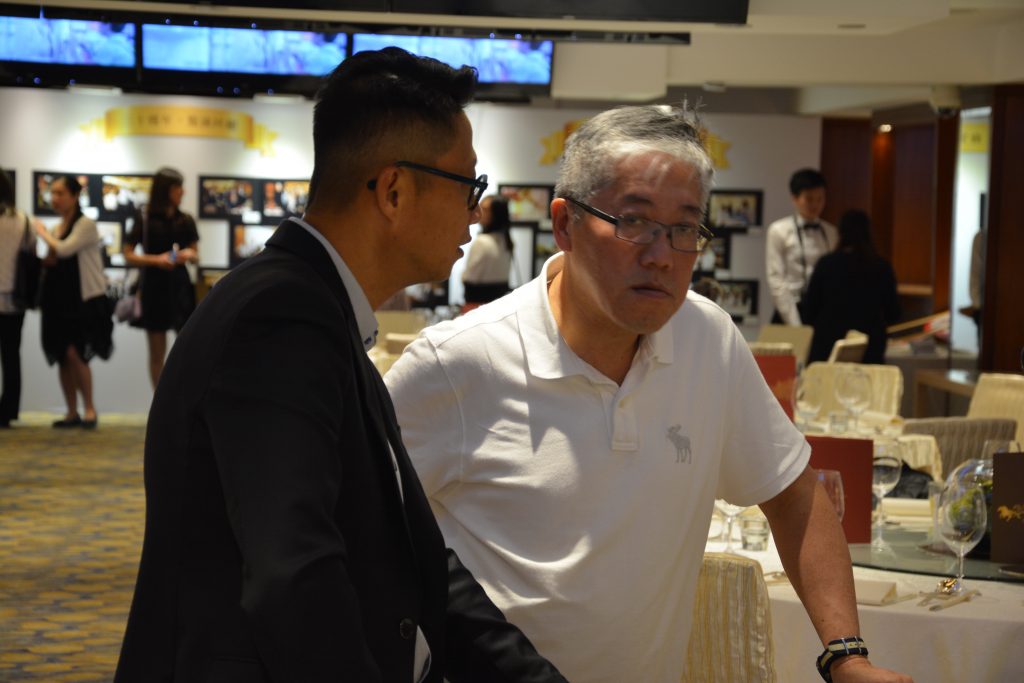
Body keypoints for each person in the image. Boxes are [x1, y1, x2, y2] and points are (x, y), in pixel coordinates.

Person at [386, 105, 913, 683]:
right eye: (633, 221)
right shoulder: (457, 363)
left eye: (685, 228)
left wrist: (846, 654)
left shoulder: (706, 338)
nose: (661, 255)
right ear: (565, 224)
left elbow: (796, 497)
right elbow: (353, 533)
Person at [115, 47, 565, 683]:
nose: (474, 209)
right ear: (394, 191)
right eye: (469, 185)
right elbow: (295, 578)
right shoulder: (281, 316)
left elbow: (410, 557)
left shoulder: (315, 308)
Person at [35, 175, 113, 429]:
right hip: (57, 300)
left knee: (77, 353)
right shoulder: (57, 228)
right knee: (61, 354)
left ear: (74, 196)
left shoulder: (85, 224)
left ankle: (89, 409)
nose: (54, 198)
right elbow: (54, 258)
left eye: (60, 193)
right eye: (53, 193)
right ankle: (71, 412)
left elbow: (65, 249)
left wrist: (42, 234)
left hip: (81, 301)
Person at [123, 166, 200, 388]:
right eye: (178, 188)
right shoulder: (145, 217)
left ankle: (182, 399)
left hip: (180, 288)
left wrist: (188, 255)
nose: (183, 192)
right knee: (157, 352)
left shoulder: (185, 219)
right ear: (165, 190)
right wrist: (157, 260)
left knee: (187, 348)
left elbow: (196, 255)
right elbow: (128, 254)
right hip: (154, 288)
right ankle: (160, 402)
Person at [802, 209, 901, 364]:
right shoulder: (881, 267)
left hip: (827, 347)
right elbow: (893, 313)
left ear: (840, 233)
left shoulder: (826, 264)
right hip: (869, 348)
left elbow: (809, 310)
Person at [766, 168, 838, 325]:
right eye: (809, 199)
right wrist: (795, 324)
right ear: (795, 198)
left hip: (822, 311)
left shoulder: (832, 232)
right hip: (790, 309)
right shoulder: (778, 230)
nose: (815, 204)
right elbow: (776, 280)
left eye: (820, 199)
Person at [0, 169, 35, 428]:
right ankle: (9, 410)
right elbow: (31, 252)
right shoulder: (23, 220)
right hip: (15, 298)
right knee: (12, 356)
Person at [462, 195, 513, 304]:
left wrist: (462, 276)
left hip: (478, 305)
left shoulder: (482, 242)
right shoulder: (508, 241)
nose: (479, 213)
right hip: (500, 303)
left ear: (497, 214)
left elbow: (469, 278)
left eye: (485, 209)